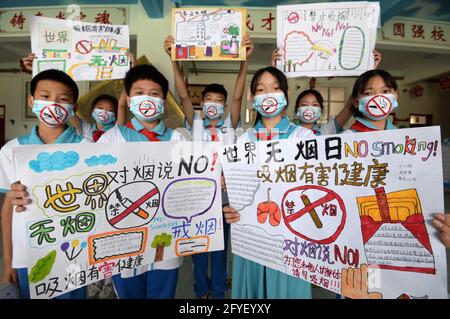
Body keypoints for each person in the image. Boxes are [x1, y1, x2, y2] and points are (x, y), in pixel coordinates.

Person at [164, 34, 253, 299]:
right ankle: (201, 292)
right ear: (202, 103)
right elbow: (181, 92)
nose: (212, 104)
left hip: (224, 199)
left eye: (218, 100)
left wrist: (244, 63)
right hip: (198, 200)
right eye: (208, 99)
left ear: (223, 106)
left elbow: (238, 96)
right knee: (199, 250)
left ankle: (218, 292)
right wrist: (174, 60)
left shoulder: (229, 124)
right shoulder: (196, 123)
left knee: (220, 250)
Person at [223, 66, 315, 299]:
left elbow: (315, 189)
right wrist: (231, 209)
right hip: (251, 237)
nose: (269, 94)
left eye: (275, 88)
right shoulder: (243, 141)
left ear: (286, 95)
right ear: (252, 98)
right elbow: (239, 194)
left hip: (291, 239)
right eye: (261, 89)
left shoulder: (303, 137)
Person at [96, 64, 187, 299]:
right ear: (127, 98)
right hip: (123, 239)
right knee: (128, 294)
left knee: (163, 293)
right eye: (139, 93)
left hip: (166, 235)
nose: (147, 98)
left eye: (154, 94)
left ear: (164, 100)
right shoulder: (111, 139)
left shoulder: (178, 139)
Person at [0, 69, 88, 299]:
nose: (53, 104)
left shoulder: (88, 149)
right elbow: (8, 208)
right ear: (31, 101)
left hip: (75, 254)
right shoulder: (11, 150)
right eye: (45, 96)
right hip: (26, 255)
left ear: (73, 108)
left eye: (63, 99)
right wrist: (8, 262)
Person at [271, 48, 383, 136]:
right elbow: (279, 98)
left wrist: (370, 72)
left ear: (321, 110)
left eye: (315, 105)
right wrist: (275, 70)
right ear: (296, 109)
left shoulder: (327, 130)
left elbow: (349, 106)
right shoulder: (288, 128)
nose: (309, 108)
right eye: (304, 104)